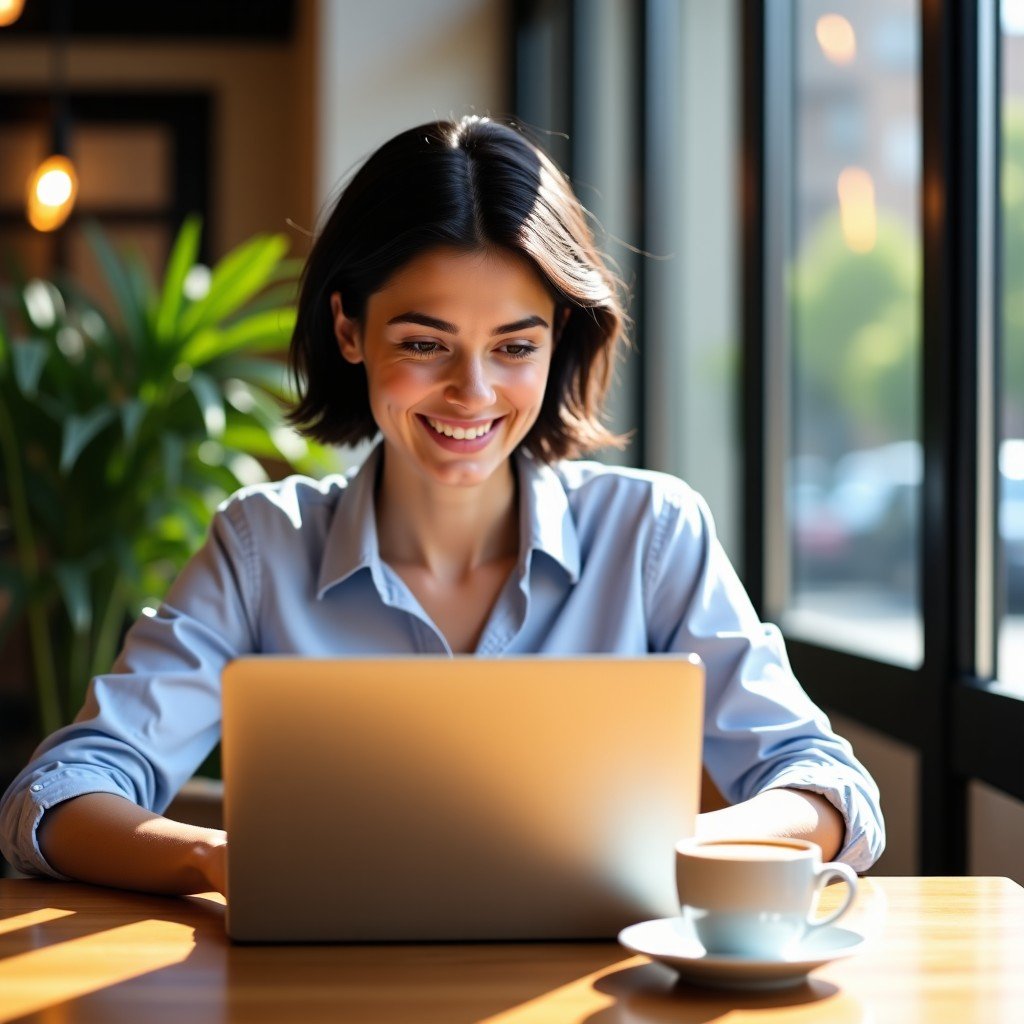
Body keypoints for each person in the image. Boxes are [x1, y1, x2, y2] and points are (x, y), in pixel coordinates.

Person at [0, 116, 884, 897]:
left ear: (560, 340)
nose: (473, 392)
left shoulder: (652, 536)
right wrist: (218, 857)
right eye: (425, 343)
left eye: (514, 346)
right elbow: (57, 797)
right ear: (349, 330)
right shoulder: (262, 548)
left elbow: (828, 790)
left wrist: (668, 847)